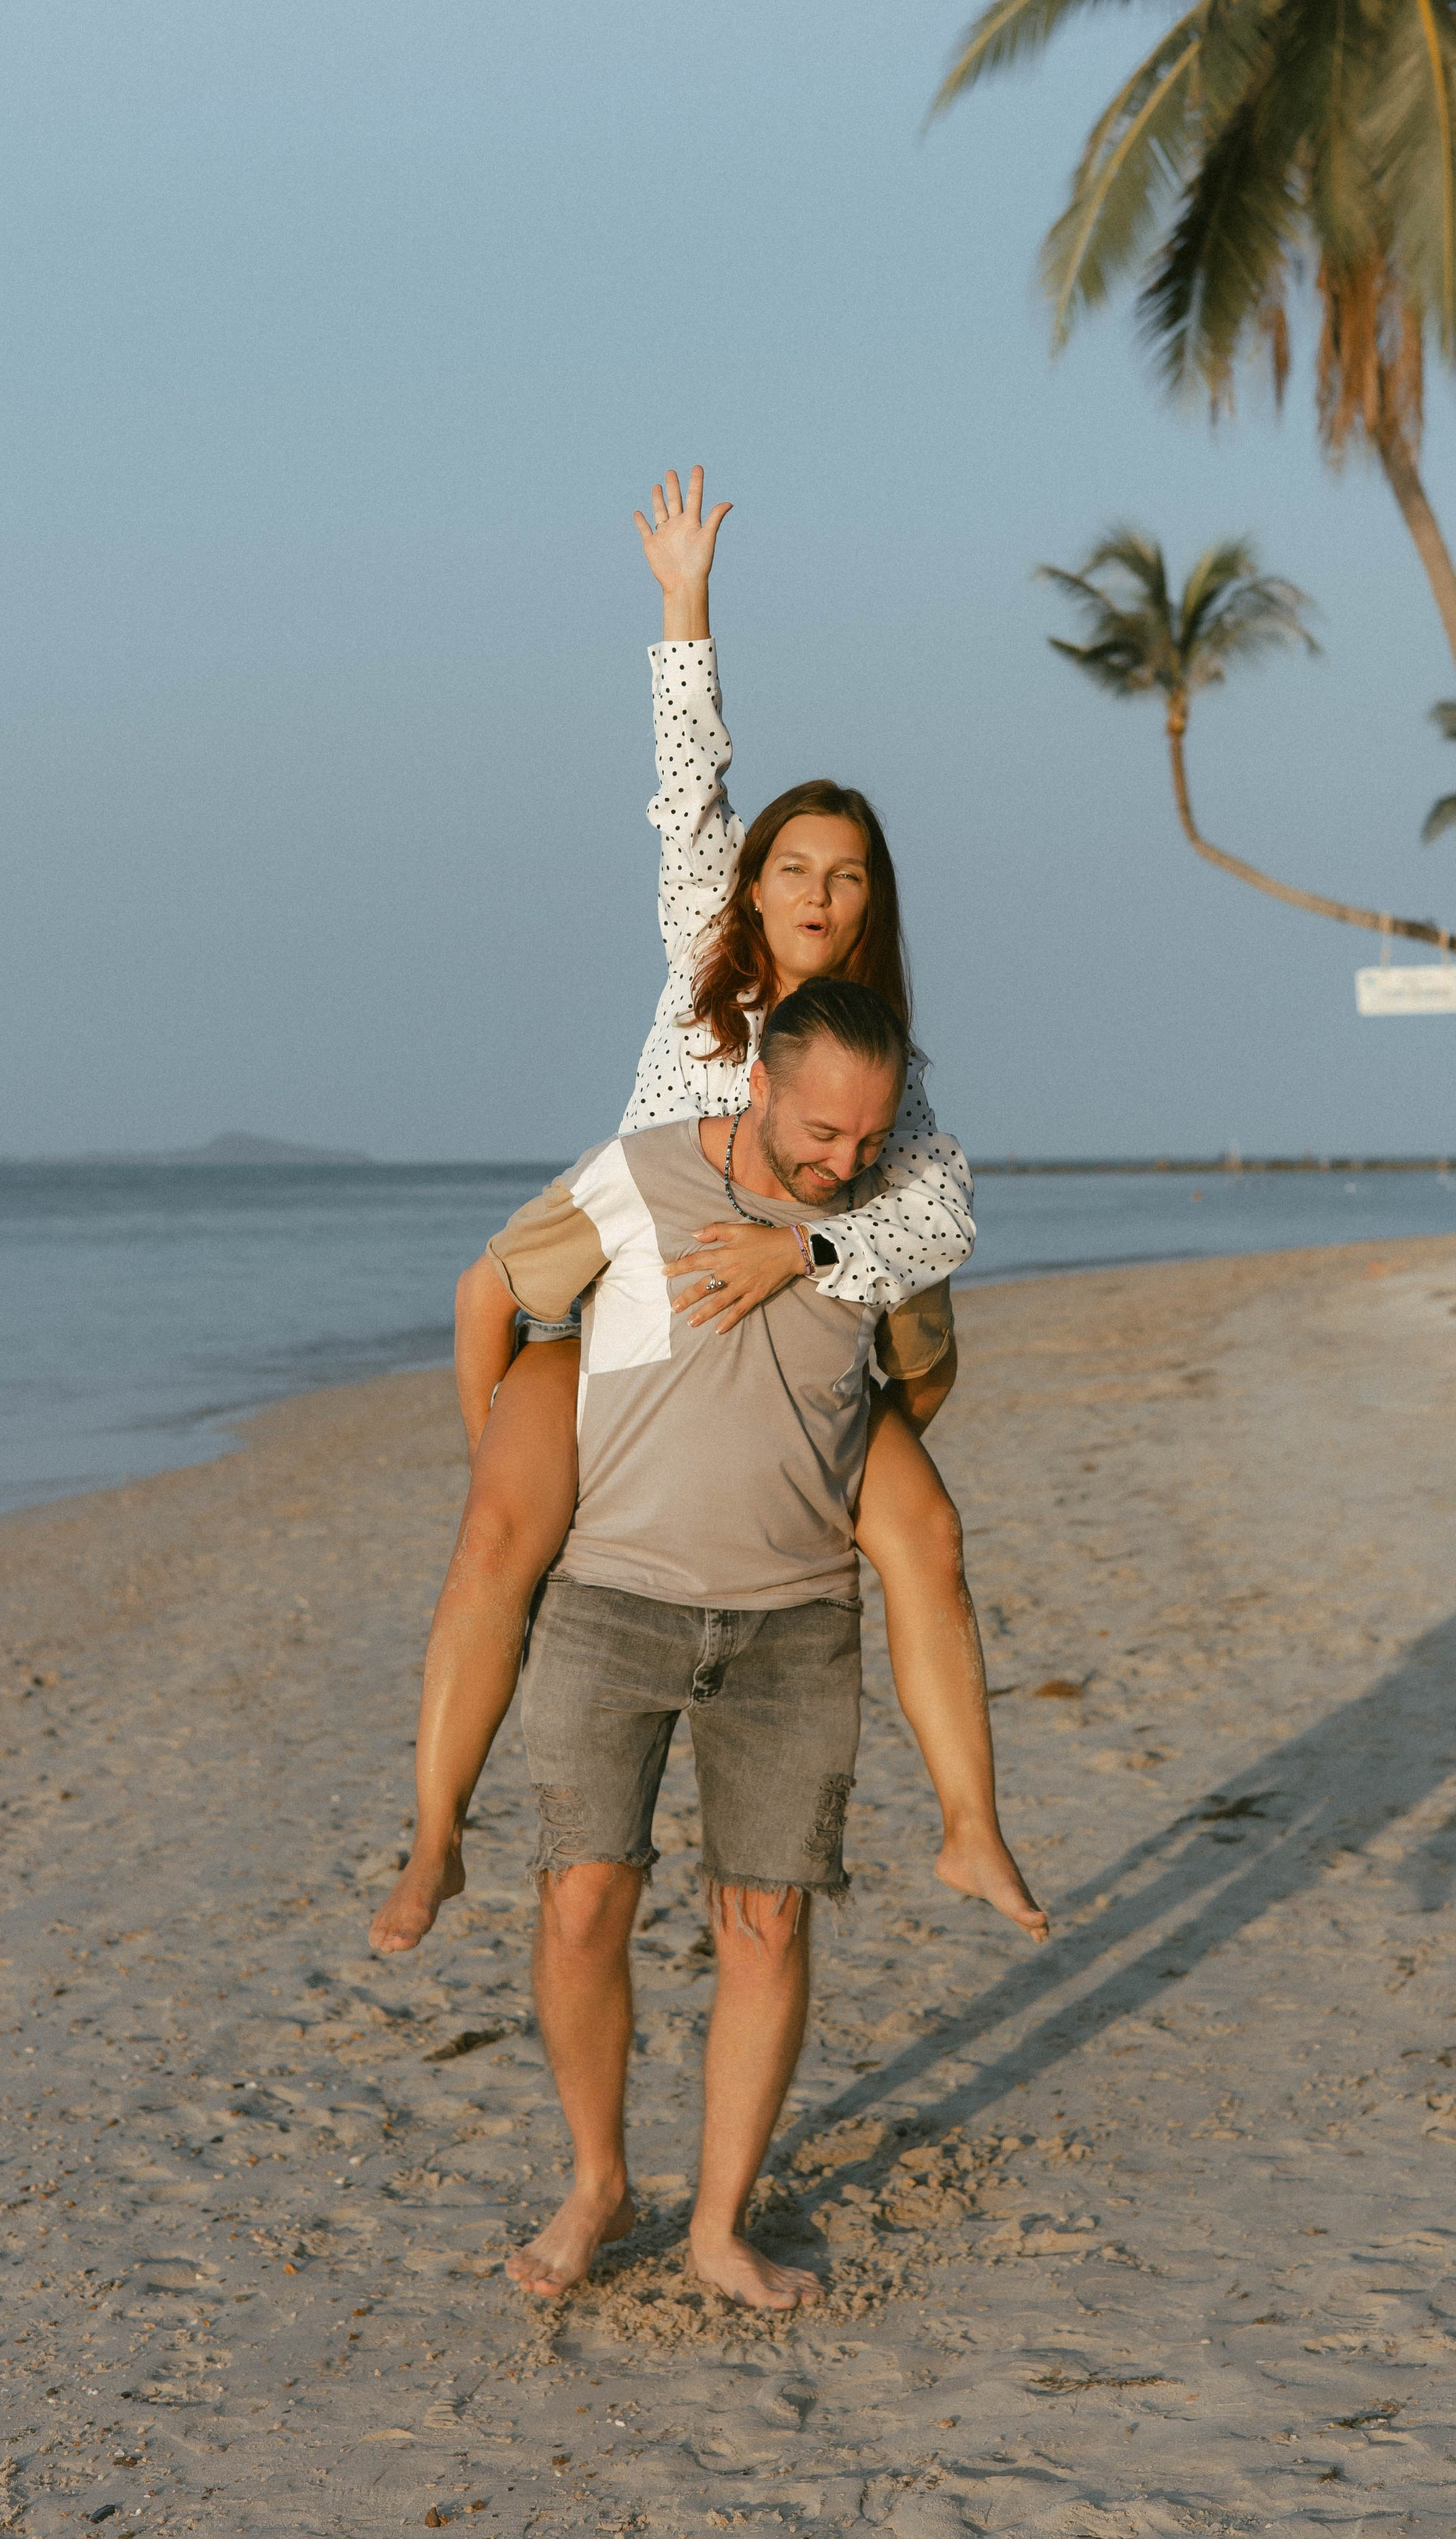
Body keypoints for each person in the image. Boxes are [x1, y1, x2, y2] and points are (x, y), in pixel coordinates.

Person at [371, 466, 1042, 1958]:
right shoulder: (702, 958)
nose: (817, 891)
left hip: (794, 1368)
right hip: (624, 1321)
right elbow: (690, 783)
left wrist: (804, 1246)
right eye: (793, 867)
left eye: (846, 876)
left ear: (870, 906)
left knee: (928, 1536)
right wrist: (686, 600)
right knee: (497, 1536)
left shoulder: (886, 1077)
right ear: (755, 886)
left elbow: (940, 1219)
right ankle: (432, 1841)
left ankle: (972, 1826)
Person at [467, 980, 955, 2305]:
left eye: (871, 1138)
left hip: (797, 1622)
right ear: (758, 1085)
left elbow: (925, 1370)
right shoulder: (634, 1178)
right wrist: (499, 1466)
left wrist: (832, 1453)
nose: (844, 1162)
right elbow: (496, 1294)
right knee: (582, 1899)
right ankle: (597, 2184)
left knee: (767, 1921)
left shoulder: (884, 1222)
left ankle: (719, 2228)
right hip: (610, 1599)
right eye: (822, 1132)